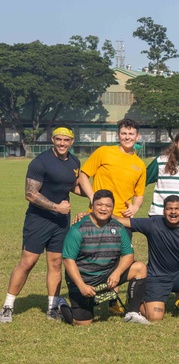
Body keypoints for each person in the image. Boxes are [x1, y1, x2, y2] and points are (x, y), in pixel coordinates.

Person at [2, 127, 93, 323]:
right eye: (58, 139)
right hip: (39, 220)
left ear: (72, 141)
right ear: (52, 139)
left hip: (61, 222)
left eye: (66, 140)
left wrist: (96, 196)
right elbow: (30, 193)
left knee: (55, 263)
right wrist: (56, 207)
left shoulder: (74, 162)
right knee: (28, 262)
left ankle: (52, 307)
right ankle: (8, 306)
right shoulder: (41, 162)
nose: (62, 143)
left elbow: (72, 186)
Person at [60, 190, 149, 325]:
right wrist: (81, 285)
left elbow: (128, 255)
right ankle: (62, 306)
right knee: (83, 323)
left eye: (108, 206)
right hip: (85, 280)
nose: (103, 209)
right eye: (99, 205)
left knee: (139, 268)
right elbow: (68, 260)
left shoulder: (118, 228)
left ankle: (133, 313)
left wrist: (117, 273)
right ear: (92, 206)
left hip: (108, 275)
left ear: (112, 208)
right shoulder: (78, 229)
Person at [120, 196, 179, 322]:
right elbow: (122, 221)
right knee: (155, 317)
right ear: (164, 211)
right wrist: (91, 216)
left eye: (177, 209)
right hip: (156, 277)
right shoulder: (153, 224)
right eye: (169, 209)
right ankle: (134, 299)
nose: (173, 212)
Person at [80, 118, 145, 218]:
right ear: (118, 135)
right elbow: (83, 175)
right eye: (124, 133)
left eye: (131, 134)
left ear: (137, 136)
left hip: (122, 218)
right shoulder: (103, 152)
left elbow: (139, 194)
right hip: (98, 214)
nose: (127, 137)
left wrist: (135, 206)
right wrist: (93, 197)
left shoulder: (140, 165)